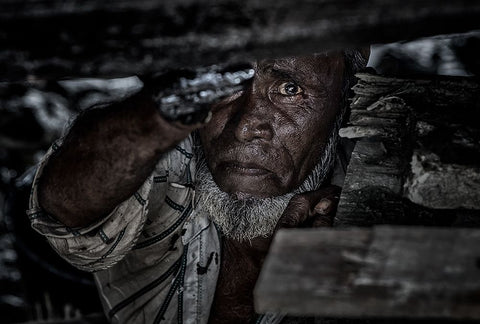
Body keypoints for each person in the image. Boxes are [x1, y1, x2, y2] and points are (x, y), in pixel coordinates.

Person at [27, 50, 368, 324]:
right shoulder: (165, 153)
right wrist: (165, 110)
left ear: (344, 100)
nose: (246, 126)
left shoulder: (376, 186)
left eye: (289, 90)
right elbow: (64, 207)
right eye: (225, 89)